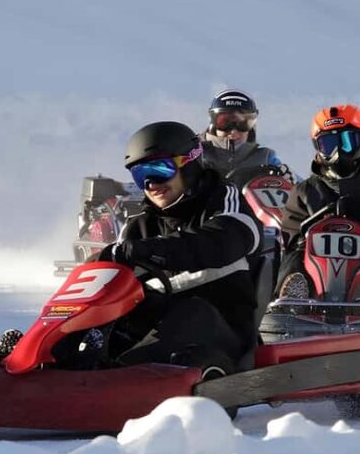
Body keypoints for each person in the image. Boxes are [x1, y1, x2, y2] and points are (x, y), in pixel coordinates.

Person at [77, 120, 266, 369]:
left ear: (188, 163)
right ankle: (40, 361)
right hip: (155, 328)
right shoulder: (139, 226)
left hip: (220, 332)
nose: (151, 184)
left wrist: (146, 251)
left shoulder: (225, 202)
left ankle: (115, 377)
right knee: (93, 327)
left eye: (158, 170)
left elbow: (221, 242)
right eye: (141, 175)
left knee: (190, 312)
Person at [276, 104, 360, 306]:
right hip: (319, 267)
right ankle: (293, 300)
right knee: (295, 254)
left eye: (347, 142)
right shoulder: (306, 191)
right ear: (318, 147)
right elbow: (291, 232)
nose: (338, 152)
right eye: (329, 144)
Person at [199, 88, 295, 183]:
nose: (233, 131)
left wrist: (289, 182)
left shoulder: (265, 159)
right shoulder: (196, 153)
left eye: (242, 124)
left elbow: (301, 190)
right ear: (213, 121)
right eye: (225, 122)